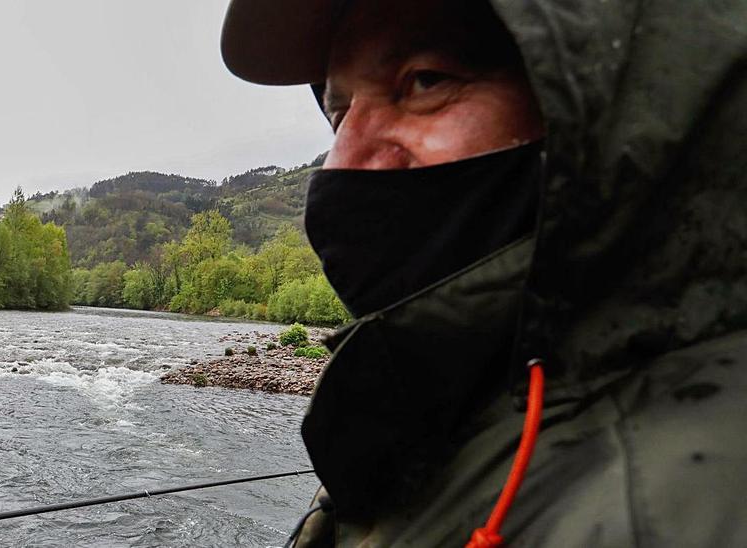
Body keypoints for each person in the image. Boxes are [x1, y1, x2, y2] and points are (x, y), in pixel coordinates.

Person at [223, 0, 747, 546]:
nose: (343, 158)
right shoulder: (436, 416)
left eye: (425, 81)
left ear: (625, 103)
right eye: (340, 111)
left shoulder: (678, 512)